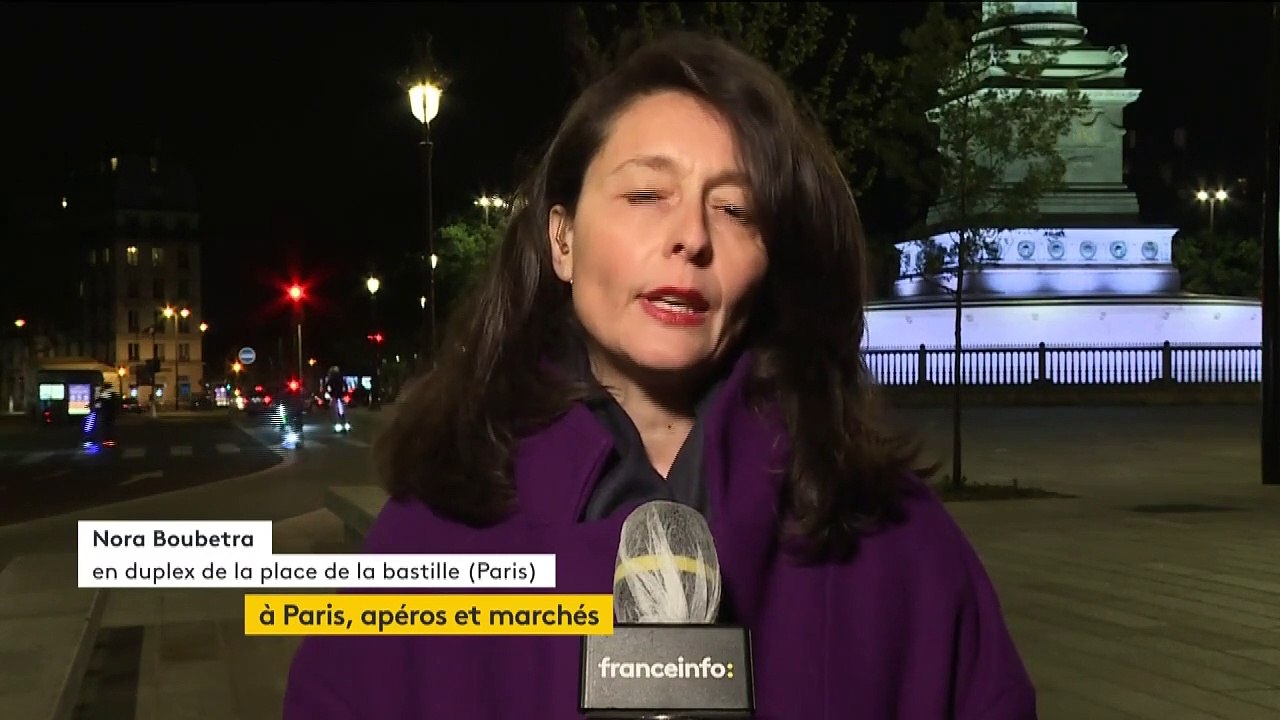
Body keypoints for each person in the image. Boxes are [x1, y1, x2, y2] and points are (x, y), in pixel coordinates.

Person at [285, 31, 1036, 719]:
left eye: (736, 208)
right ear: (562, 240)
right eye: (647, 194)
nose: (691, 237)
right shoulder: (426, 544)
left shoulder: (897, 545)